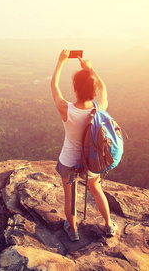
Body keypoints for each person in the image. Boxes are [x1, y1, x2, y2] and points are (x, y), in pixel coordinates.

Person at [50, 49, 117, 241]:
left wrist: (60, 62)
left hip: (69, 162)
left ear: (75, 90)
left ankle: (73, 231)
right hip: (92, 160)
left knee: (71, 198)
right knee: (96, 189)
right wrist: (91, 68)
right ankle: (108, 225)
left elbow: (54, 86)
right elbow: (104, 89)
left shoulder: (67, 110)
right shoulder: (99, 107)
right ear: (93, 91)